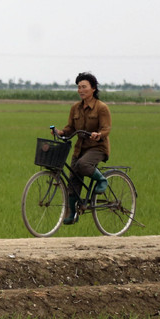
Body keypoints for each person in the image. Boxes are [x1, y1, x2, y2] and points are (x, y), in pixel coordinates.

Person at [55, 72, 111, 225]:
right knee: (73, 181)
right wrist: (61, 132)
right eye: (79, 87)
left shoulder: (101, 108)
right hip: (80, 149)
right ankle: (73, 213)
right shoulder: (75, 108)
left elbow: (106, 129)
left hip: (97, 147)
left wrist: (98, 134)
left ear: (93, 88)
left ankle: (102, 180)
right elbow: (70, 128)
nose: (81, 90)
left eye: (84, 87)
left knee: (82, 165)